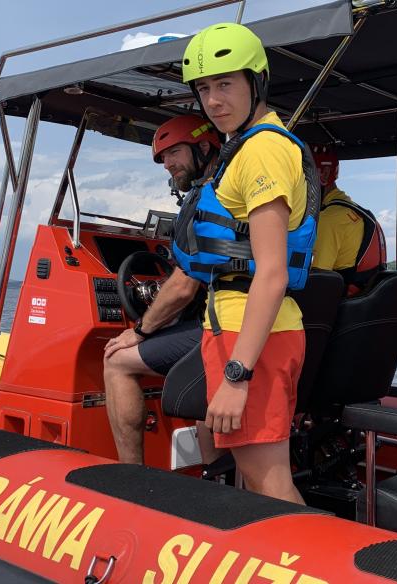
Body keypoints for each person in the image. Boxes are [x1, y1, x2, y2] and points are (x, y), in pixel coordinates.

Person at [173, 22, 320, 503]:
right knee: (253, 472)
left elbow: (272, 272)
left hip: (252, 335)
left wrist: (237, 376)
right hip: (237, 326)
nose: (213, 100)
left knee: (268, 479)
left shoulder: (261, 150)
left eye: (225, 84)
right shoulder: (246, 146)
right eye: (203, 88)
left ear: (256, 83)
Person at [102, 114, 220, 464]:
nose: (168, 164)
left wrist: (139, 331)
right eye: (163, 158)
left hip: (219, 326)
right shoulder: (220, 191)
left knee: (115, 360)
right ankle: (213, 475)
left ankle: (131, 475)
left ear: (202, 147)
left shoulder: (209, 201)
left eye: (174, 153)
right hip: (229, 321)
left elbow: (183, 286)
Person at [310, 145, 387, 296]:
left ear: (324, 175)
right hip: (360, 304)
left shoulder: (329, 219)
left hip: (335, 310)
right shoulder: (359, 213)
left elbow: (317, 281)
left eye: (302, 178)